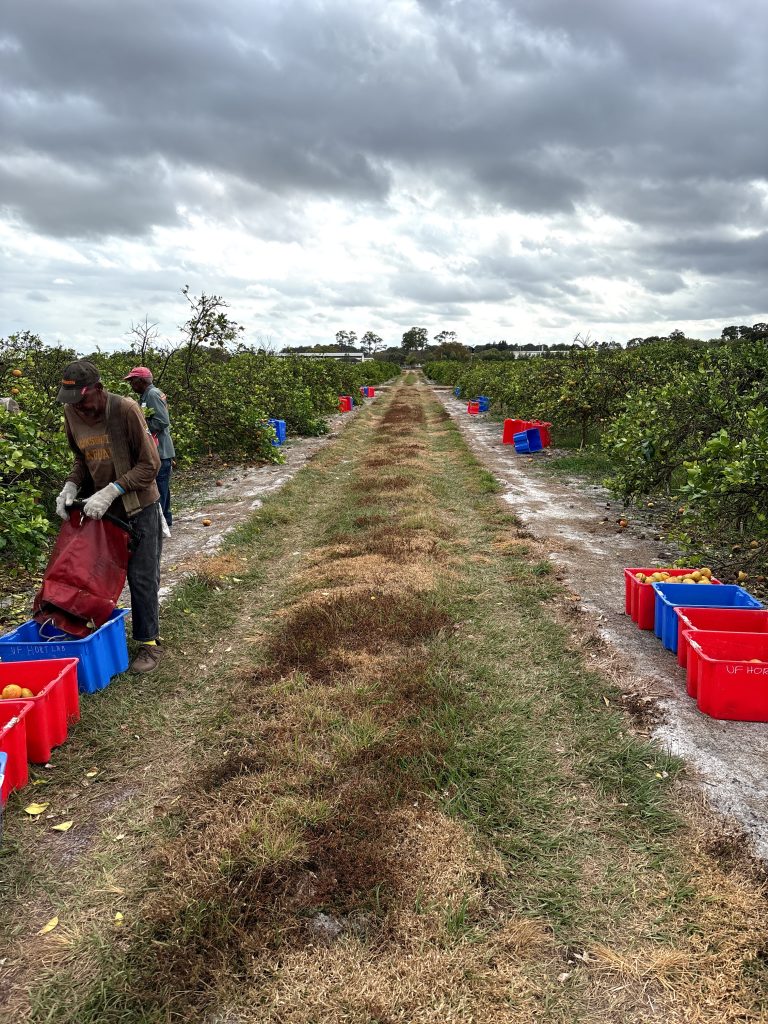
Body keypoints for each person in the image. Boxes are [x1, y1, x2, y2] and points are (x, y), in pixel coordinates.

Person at [54, 359, 165, 674]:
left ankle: (149, 644)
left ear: (99, 390)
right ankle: (96, 638)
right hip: (101, 512)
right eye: (73, 403)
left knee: (142, 577)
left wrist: (113, 489)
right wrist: (71, 485)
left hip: (138, 506)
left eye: (84, 401)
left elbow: (150, 465)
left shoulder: (124, 409)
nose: (80, 409)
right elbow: (82, 458)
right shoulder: (72, 413)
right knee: (92, 575)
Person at [123, 366, 175, 528]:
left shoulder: (152, 394)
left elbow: (162, 421)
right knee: (162, 487)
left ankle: (162, 523)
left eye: (133, 381)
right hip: (158, 451)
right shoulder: (148, 395)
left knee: (159, 488)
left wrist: (140, 428)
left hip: (159, 451)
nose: (131, 384)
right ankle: (165, 521)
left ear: (142, 381)